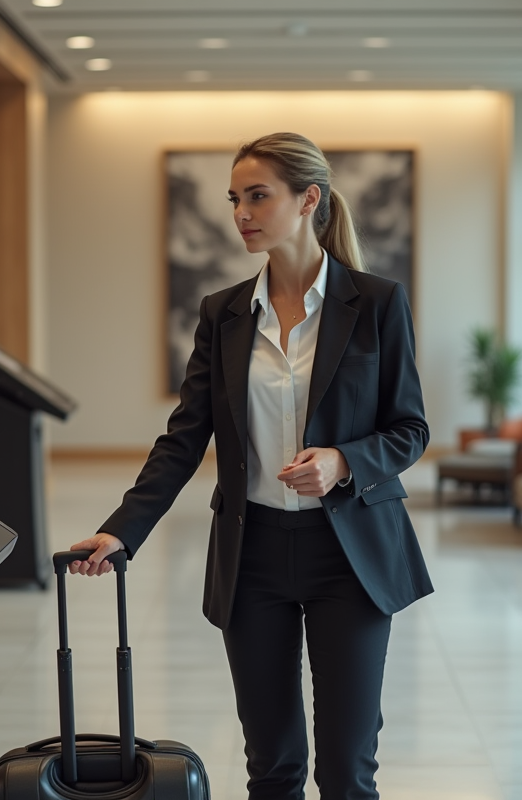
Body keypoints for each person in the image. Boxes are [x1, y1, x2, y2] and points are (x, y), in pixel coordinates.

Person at [69, 132, 433, 800]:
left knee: (348, 771)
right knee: (271, 767)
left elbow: (410, 429)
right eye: (235, 198)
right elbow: (183, 438)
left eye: (258, 196)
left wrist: (344, 461)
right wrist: (122, 530)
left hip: (349, 557)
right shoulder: (224, 314)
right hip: (254, 555)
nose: (241, 212)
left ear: (308, 200)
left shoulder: (377, 304)